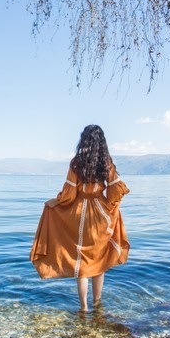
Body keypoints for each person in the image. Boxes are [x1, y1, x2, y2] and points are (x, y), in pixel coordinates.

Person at [30, 124, 130, 312]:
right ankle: (97, 303)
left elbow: (69, 194)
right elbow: (116, 188)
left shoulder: (76, 162)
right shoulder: (106, 161)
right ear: (102, 141)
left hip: (79, 216)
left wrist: (56, 201)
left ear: (84, 140)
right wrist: (110, 203)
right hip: (101, 215)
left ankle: (83, 307)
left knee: (82, 262)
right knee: (98, 261)